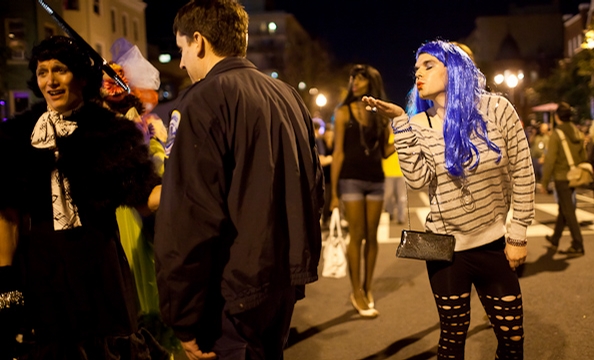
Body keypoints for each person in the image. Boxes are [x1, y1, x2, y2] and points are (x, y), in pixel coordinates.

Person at [154, 1, 324, 359]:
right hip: (280, 281)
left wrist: (182, 316)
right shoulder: (288, 96)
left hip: (233, 289)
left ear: (198, 41)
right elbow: (314, 189)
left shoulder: (202, 101)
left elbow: (188, 218)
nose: (181, 62)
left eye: (181, 49)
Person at [363, 39, 535, 359]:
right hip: (446, 250)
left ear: (454, 69)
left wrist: (519, 232)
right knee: (452, 339)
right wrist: (400, 121)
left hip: (494, 245)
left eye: (428, 65)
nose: (418, 73)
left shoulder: (498, 109)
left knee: (512, 337)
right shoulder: (419, 123)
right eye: (416, 68)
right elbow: (416, 180)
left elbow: (524, 171)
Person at [0, 36, 167, 359]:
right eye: (42, 72)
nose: (50, 80)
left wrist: (188, 185)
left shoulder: (109, 131)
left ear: (79, 75)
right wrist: (5, 280)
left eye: (59, 70)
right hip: (41, 274)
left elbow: (145, 200)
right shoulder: (18, 135)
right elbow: (8, 216)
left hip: (99, 272)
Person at [330, 64, 394, 317]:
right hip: (351, 180)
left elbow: (385, 151)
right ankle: (356, 290)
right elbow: (337, 153)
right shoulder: (343, 111)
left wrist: (402, 138)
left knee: (372, 236)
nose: (354, 81)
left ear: (371, 82)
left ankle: (367, 288)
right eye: (352, 77)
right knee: (356, 235)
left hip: (376, 179)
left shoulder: (379, 114)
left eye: (360, 77)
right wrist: (334, 194)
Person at [540, 102, 586, 256]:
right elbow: (583, 156)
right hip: (574, 176)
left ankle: (578, 244)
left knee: (568, 211)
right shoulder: (576, 131)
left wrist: (544, 182)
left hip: (561, 177)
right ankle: (555, 239)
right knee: (564, 208)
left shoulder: (557, 133)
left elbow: (550, 160)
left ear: (557, 116)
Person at [382, 132, 406, 224]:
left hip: (400, 173)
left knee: (401, 198)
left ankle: (401, 218)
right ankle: (390, 212)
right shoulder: (385, 138)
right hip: (388, 173)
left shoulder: (401, 137)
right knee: (388, 197)